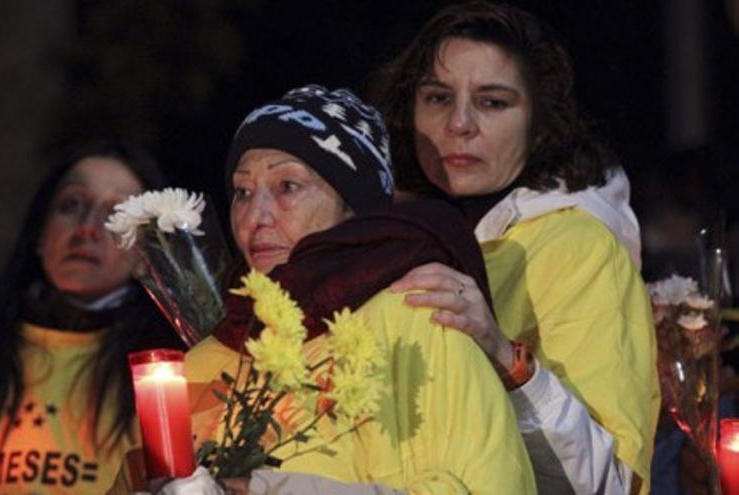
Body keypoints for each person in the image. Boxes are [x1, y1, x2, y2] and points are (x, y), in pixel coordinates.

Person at [172, 85, 536, 494]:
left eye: (288, 186)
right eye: (242, 192)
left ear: (353, 206)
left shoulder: (420, 310)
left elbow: (488, 485)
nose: (255, 217)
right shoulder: (204, 362)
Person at [371, 1, 659, 493]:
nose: (459, 124)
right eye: (438, 98)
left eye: (492, 102)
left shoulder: (580, 248)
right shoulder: (382, 229)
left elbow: (610, 483)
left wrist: (507, 360)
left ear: (540, 122)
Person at [0, 140, 186, 494]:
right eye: (72, 205)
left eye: (115, 214)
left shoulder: (170, 366)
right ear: (39, 234)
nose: (87, 228)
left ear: (146, 250)